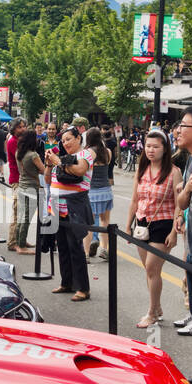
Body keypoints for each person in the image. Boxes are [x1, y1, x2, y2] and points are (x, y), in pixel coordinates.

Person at [128, 129, 182, 326]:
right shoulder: (141, 170)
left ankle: (152, 313)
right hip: (142, 222)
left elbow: (179, 204)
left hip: (164, 224)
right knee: (150, 271)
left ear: (165, 148)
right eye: (148, 146)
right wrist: (128, 226)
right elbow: (135, 200)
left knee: (152, 267)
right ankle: (157, 307)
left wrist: (174, 232)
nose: (150, 150)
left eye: (155, 146)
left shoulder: (174, 172)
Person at [45, 126, 94, 302]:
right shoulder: (62, 158)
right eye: (63, 140)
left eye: (68, 139)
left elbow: (80, 171)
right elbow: (47, 180)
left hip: (75, 206)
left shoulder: (85, 155)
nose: (65, 143)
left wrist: (58, 161)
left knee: (76, 247)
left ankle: (83, 288)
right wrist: (50, 164)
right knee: (63, 247)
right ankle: (67, 282)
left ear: (78, 138)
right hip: (57, 206)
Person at [12, 130, 43, 255]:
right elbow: (43, 170)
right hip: (31, 188)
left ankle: (21, 241)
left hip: (22, 186)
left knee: (21, 216)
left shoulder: (18, 152)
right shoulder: (33, 155)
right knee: (26, 217)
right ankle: (21, 246)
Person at [84, 127, 114, 259]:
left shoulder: (88, 152)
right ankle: (104, 249)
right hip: (106, 191)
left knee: (89, 224)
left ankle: (85, 253)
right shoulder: (107, 152)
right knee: (105, 221)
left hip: (92, 191)